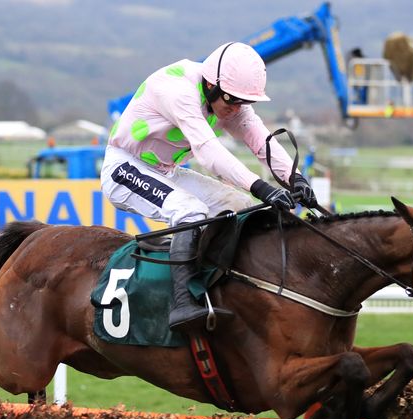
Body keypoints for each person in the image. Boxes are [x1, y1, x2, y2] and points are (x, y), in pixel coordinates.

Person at [101, 42, 317, 333]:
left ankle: (230, 286)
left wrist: (296, 178)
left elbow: (260, 140)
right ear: (212, 85)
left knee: (243, 208)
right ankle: (182, 305)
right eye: (231, 101)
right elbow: (209, 152)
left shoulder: (229, 98)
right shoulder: (178, 91)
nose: (235, 110)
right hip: (124, 168)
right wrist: (261, 186)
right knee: (191, 212)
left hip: (167, 171)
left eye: (243, 102)